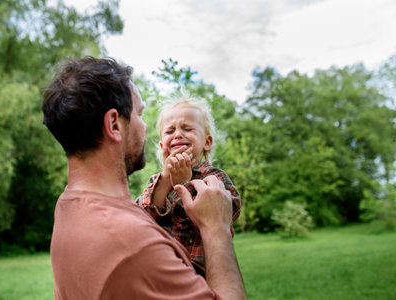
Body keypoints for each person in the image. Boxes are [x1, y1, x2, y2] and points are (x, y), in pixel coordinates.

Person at [43, 56, 246, 299]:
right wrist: (216, 229)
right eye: (139, 114)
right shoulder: (133, 246)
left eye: (187, 129)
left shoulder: (68, 206)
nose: (145, 127)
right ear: (114, 125)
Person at [136, 97, 241, 276]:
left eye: (187, 128)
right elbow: (143, 216)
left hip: (202, 271)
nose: (177, 134)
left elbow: (229, 211)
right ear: (163, 146)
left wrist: (184, 184)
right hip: (163, 269)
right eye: (169, 131)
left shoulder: (215, 177)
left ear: (207, 142)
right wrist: (167, 177)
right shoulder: (157, 181)